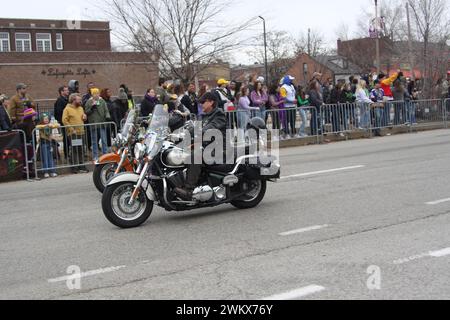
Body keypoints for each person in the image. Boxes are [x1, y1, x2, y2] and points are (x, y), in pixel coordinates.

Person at [173, 92, 227, 200]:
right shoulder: (203, 116)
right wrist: (177, 134)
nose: (201, 104)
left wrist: (198, 132)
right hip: (206, 147)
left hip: (218, 149)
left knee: (195, 156)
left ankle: (189, 189)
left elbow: (211, 128)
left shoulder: (219, 115)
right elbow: (193, 129)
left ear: (211, 102)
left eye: (203, 102)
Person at [62, 94, 89, 174]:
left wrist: (84, 117)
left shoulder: (80, 108)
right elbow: (64, 120)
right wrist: (71, 129)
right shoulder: (67, 109)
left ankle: (81, 165)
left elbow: (83, 117)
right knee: (75, 150)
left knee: (81, 149)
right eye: (78, 99)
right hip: (74, 133)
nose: (80, 101)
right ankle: (75, 166)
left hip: (81, 132)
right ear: (73, 100)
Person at [84, 88, 111, 160]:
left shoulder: (102, 101)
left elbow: (106, 110)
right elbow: (86, 112)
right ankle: (95, 156)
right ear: (92, 94)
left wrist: (107, 116)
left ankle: (105, 155)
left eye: (97, 93)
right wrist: (92, 108)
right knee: (94, 141)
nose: (96, 95)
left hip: (102, 123)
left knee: (104, 140)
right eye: (94, 94)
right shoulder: (89, 102)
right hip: (93, 124)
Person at [36, 112, 60, 178]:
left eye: (47, 119)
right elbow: (37, 126)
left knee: (50, 158)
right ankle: (45, 172)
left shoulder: (50, 125)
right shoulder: (41, 126)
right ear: (42, 120)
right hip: (43, 143)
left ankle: (52, 171)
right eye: (45, 119)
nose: (46, 120)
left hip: (50, 143)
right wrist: (45, 126)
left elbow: (58, 125)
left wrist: (50, 125)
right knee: (45, 158)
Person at [53, 86, 70, 160]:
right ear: (61, 92)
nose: (68, 91)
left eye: (68, 90)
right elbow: (58, 112)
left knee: (70, 138)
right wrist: (62, 121)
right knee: (66, 139)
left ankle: (69, 153)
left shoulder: (67, 99)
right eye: (66, 90)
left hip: (69, 122)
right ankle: (66, 154)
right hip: (64, 122)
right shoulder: (60, 101)